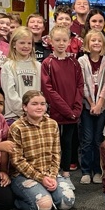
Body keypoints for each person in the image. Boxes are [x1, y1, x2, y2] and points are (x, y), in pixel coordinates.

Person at [9, 90, 76, 210]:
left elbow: (56, 154)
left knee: (67, 202)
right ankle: (18, 201)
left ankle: (46, 193)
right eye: (34, 104)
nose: (39, 107)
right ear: (24, 107)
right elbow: (17, 161)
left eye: (42, 104)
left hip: (48, 172)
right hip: (24, 175)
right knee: (44, 207)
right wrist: (41, 178)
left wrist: (52, 176)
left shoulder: (52, 124)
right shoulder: (17, 127)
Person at [41, 26, 83, 178]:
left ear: (69, 42)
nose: (61, 43)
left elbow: (79, 86)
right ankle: (53, 174)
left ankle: (66, 173)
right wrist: (67, 110)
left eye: (64, 40)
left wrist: (76, 109)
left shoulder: (74, 63)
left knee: (68, 143)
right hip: (56, 112)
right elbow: (48, 90)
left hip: (72, 113)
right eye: (57, 40)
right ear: (51, 41)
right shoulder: (47, 63)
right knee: (54, 144)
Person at [78, 31, 105, 185]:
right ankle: (85, 171)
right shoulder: (81, 61)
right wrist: (91, 103)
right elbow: (82, 84)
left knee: (99, 140)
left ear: (103, 44)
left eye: (99, 41)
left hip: (102, 107)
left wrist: (99, 104)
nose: (96, 43)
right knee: (87, 139)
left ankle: (98, 171)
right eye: (93, 41)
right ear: (87, 44)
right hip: (86, 107)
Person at [0, 26, 41, 124]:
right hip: (14, 116)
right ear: (14, 44)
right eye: (22, 43)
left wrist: (35, 110)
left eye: (29, 43)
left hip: (35, 115)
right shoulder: (8, 66)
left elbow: (40, 91)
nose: (26, 46)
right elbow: (10, 94)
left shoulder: (38, 65)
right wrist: (26, 110)